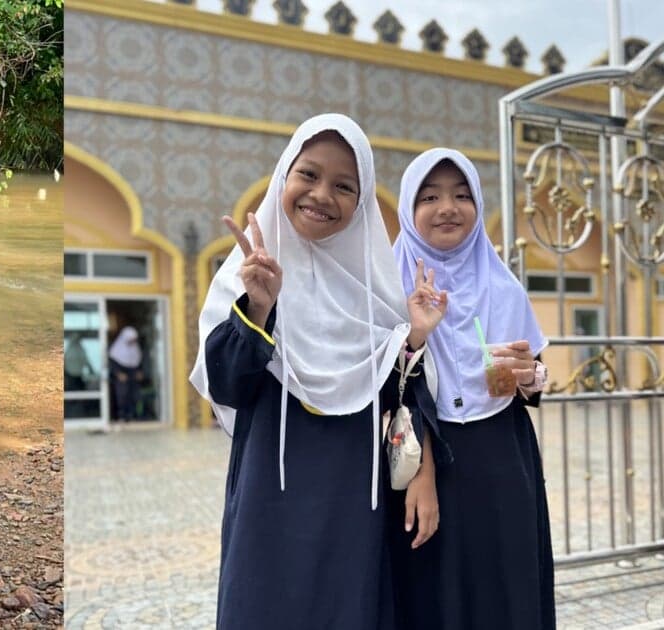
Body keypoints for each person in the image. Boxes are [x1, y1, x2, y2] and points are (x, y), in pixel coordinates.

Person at [189, 113, 447, 629]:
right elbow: (226, 387)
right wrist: (258, 309)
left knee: (348, 605)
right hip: (269, 496)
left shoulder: (376, 297)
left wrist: (414, 336)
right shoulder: (246, 280)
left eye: (344, 185)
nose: (322, 194)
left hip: (353, 497)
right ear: (284, 175)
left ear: (363, 201)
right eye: (308, 174)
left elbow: (405, 402)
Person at [389, 148, 554, 630]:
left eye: (462, 195)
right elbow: (381, 388)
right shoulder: (388, 285)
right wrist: (415, 333)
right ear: (408, 207)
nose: (448, 207)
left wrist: (531, 377)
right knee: (432, 586)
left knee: (505, 582)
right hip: (420, 458)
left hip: (501, 456)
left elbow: (535, 382)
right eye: (431, 196)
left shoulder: (503, 288)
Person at [107, 325, 143, 425]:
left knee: (134, 396)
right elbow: (112, 364)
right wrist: (118, 374)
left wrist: (139, 372)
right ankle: (121, 416)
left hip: (132, 377)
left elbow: (138, 362)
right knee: (121, 396)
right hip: (121, 379)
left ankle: (132, 415)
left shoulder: (136, 347)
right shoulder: (115, 350)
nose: (132, 342)